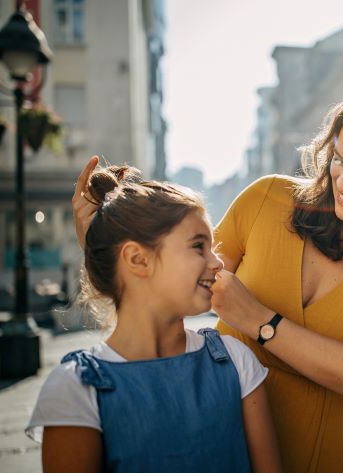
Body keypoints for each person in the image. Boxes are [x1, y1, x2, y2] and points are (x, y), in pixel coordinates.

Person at [72, 79, 343, 472]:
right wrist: (104, 245)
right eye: (339, 160)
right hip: (211, 451)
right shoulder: (266, 199)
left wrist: (261, 322)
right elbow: (167, 292)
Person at [34, 166, 281, 472]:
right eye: (198, 246)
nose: (217, 262)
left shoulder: (237, 362)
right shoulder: (76, 389)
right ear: (138, 259)